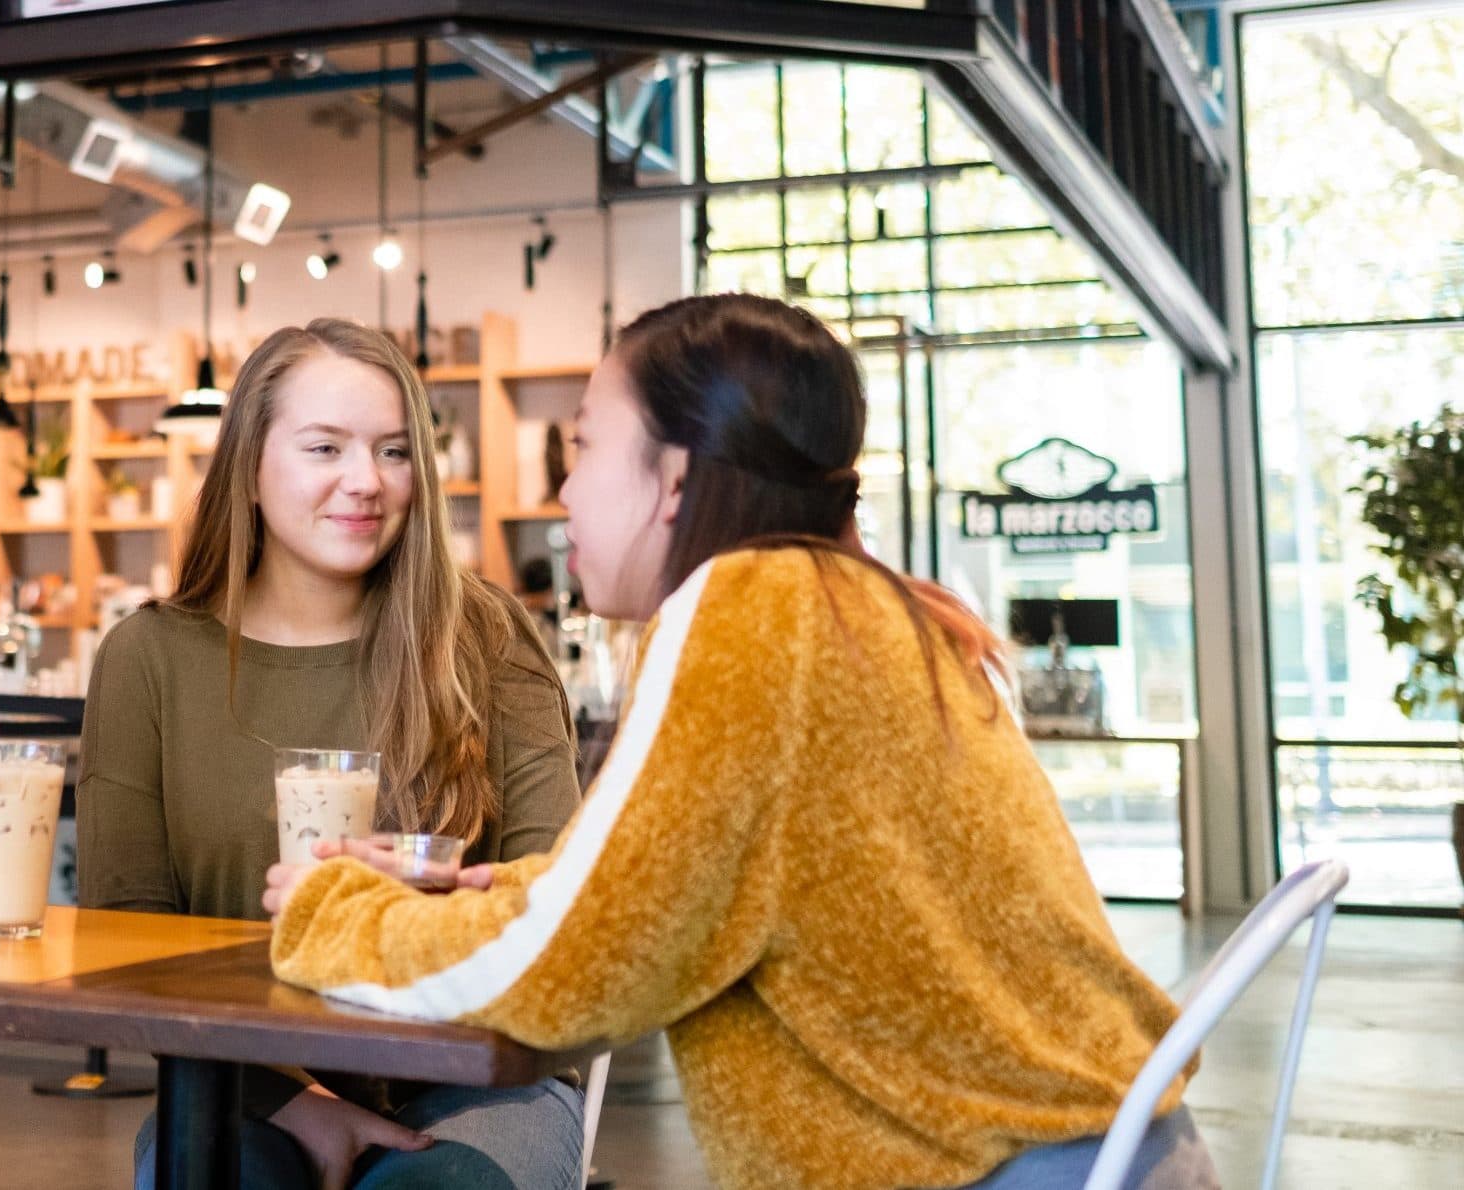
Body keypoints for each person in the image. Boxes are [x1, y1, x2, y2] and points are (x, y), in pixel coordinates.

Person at [265, 294, 1219, 1190]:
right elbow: (672, 891)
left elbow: (575, 974)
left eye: (585, 446)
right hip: (1103, 1151)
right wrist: (486, 889)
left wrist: (326, 913)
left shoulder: (746, 616)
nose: (563, 490)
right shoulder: (858, 605)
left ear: (672, 478)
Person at [81, 318, 587, 1190]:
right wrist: (296, 1100)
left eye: (394, 452)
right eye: (326, 448)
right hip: (241, 1083)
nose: (366, 483)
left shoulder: (488, 637)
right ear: (246, 468)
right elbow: (125, 941)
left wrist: (417, 926)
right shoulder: (150, 658)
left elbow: (566, 905)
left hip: (478, 1076)